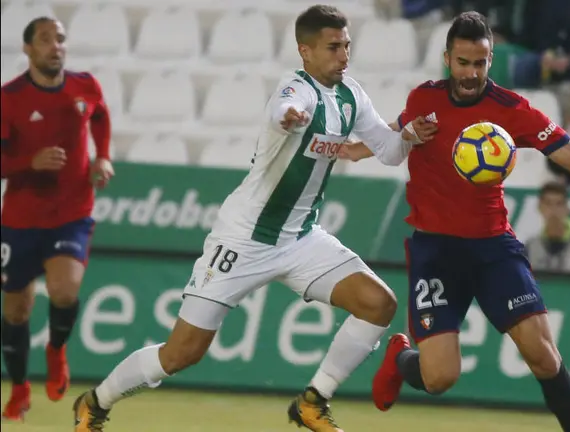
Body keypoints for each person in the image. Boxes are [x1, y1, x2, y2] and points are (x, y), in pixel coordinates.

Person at [71, 5, 436, 432]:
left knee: (378, 304)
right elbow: (281, 113)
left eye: (347, 45)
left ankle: (313, 402)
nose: (343, 55)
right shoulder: (293, 90)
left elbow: (390, 153)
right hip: (243, 239)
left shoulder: (352, 95)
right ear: (306, 51)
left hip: (300, 239)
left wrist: (407, 136)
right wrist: (288, 119)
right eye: (333, 47)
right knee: (181, 353)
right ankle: (96, 402)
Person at [339, 12, 570, 432]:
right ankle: (400, 358)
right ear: (448, 58)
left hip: (493, 248)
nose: (471, 73)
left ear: (491, 60)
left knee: (543, 355)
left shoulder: (511, 109)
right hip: (437, 253)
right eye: (463, 62)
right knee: (440, 377)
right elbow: (392, 138)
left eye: (480, 63)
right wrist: (345, 151)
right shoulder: (424, 99)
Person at [0, 17, 113, 421]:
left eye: (60, 39)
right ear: (28, 49)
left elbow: (99, 116)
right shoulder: (9, 98)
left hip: (71, 213)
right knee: (15, 311)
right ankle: (18, 389)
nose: (55, 46)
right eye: (45, 40)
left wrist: (102, 155)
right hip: (19, 218)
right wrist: (29, 162)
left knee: (64, 292)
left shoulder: (85, 86)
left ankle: (56, 350)